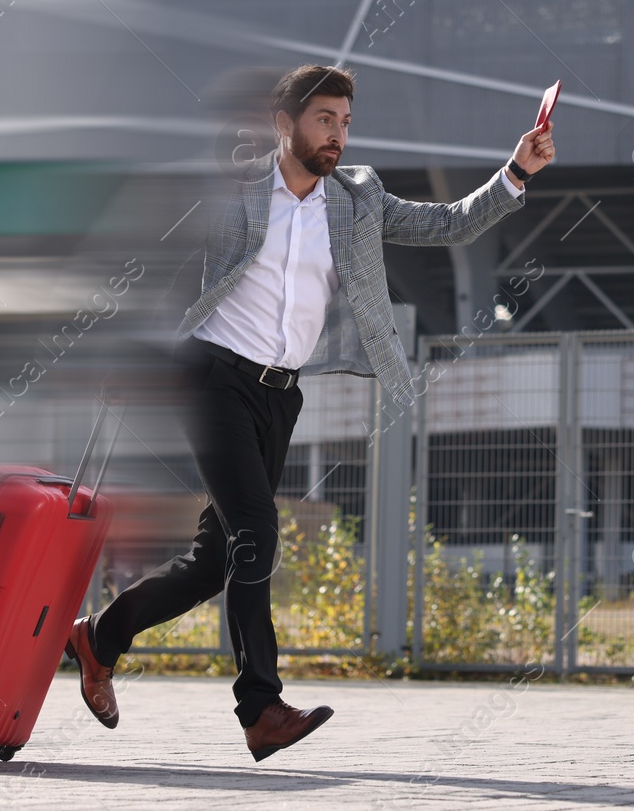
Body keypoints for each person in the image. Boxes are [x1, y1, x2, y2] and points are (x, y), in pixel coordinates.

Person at [65, 64, 556, 761]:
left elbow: (448, 223)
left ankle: (99, 635)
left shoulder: (358, 199)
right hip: (210, 376)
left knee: (216, 560)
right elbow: (161, 262)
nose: (338, 135)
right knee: (257, 530)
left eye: (346, 122)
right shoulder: (234, 191)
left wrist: (516, 170)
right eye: (325, 118)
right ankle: (260, 706)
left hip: (278, 392)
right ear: (284, 123)